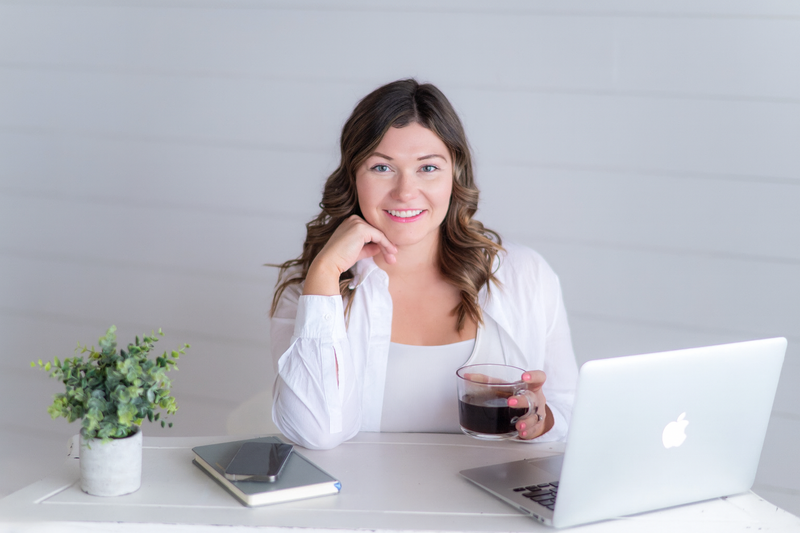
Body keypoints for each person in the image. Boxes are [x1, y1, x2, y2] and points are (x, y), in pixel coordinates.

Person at [270, 79, 578, 450]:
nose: (405, 192)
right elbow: (314, 431)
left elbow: (568, 409)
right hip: (364, 504)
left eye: (428, 168)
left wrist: (543, 421)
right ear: (353, 176)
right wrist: (323, 273)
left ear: (455, 174)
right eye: (382, 168)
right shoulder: (310, 288)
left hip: (496, 502)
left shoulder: (526, 275)